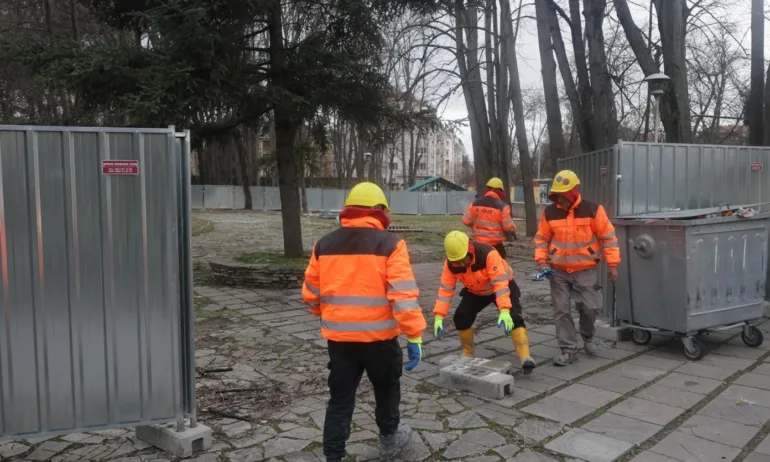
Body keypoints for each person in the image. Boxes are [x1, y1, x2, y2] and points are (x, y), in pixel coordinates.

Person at [302, 182, 426, 462]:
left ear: (349, 210)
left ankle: (334, 455)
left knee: (340, 398)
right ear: (380, 210)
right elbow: (403, 296)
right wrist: (414, 334)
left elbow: (310, 293)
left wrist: (329, 314)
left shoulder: (324, 244)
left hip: (339, 341)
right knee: (386, 388)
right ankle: (389, 441)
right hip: (380, 340)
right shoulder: (391, 245)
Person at [534, 170, 620, 366]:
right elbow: (541, 239)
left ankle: (587, 337)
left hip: (585, 270)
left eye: (563, 195)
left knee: (590, 308)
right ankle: (568, 350)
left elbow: (609, 238)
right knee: (561, 310)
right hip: (558, 270)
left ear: (573, 192)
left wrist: (613, 265)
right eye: (557, 196)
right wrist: (542, 262)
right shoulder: (550, 213)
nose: (560, 200)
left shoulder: (593, 210)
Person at [433, 231, 536, 374]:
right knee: (461, 317)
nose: (461, 264)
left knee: (514, 318)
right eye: (457, 261)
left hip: (502, 287)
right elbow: (446, 290)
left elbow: (500, 284)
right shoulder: (450, 265)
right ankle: (468, 353)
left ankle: (525, 358)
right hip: (476, 291)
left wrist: (504, 310)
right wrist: (439, 315)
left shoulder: (488, 254)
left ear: (469, 249)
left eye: (463, 259)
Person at [462, 177, 517, 259]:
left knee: (479, 265)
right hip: (495, 246)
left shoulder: (475, 203)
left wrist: (476, 226)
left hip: (478, 245)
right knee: (499, 266)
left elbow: (466, 221)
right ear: (499, 190)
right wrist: (514, 228)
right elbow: (508, 227)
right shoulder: (503, 206)